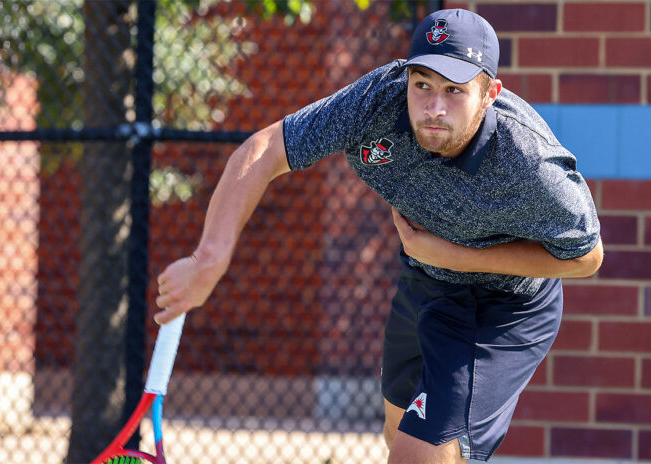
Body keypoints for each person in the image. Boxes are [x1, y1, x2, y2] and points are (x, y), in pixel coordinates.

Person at [154, 8, 602, 464]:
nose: (434, 107)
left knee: (415, 455)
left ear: (490, 94)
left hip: (501, 307)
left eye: (455, 91)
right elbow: (265, 150)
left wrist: (458, 257)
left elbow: (587, 257)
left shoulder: (528, 161)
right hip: (423, 279)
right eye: (422, 84)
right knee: (397, 432)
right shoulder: (378, 103)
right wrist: (209, 258)